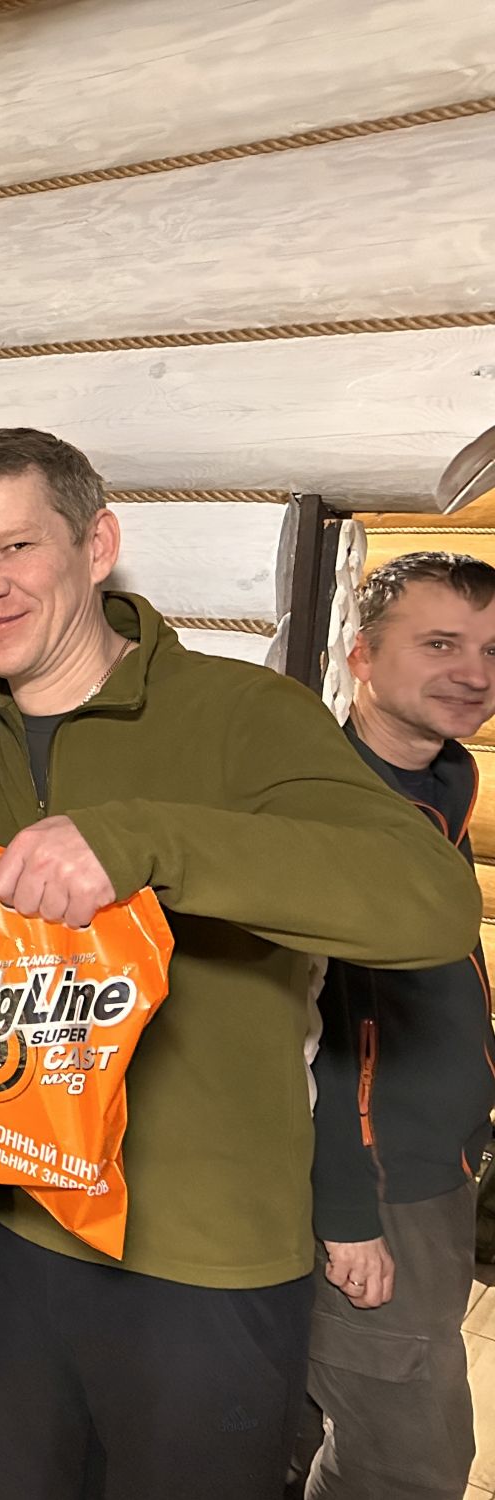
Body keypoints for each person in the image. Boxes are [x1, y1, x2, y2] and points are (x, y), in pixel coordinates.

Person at [0, 428, 483, 1499]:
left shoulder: (240, 714)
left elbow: (429, 902)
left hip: (201, 1267)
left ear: (96, 546)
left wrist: (146, 841)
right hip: (13, 1240)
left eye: (16, 547)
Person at [297, 550, 495, 1500]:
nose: (475, 673)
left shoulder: (444, 781)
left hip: (434, 1170)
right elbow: (317, 1030)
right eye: (441, 645)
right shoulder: (333, 809)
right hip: (376, 1193)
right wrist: (348, 1219)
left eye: (492, 650)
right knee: (406, 1467)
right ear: (363, 656)